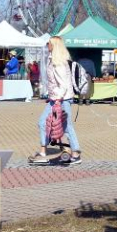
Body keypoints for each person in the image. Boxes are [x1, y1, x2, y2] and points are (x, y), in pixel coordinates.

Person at [28, 36, 82, 165]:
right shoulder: (52, 60)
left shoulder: (59, 63)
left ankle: (76, 153)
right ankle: (43, 151)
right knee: (42, 122)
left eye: (49, 43)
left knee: (67, 126)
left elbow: (63, 84)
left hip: (62, 99)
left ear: (55, 46)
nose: (47, 45)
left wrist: (58, 98)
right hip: (55, 98)